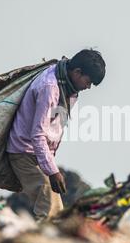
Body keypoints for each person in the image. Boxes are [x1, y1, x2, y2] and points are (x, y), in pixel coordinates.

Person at [6, 49, 106, 220]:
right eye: (88, 82)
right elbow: (38, 134)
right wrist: (52, 171)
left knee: (56, 210)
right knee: (50, 208)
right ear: (77, 72)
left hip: (38, 154)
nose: (88, 87)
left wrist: (50, 163)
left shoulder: (69, 87)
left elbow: (54, 127)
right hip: (24, 151)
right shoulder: (50, 88)